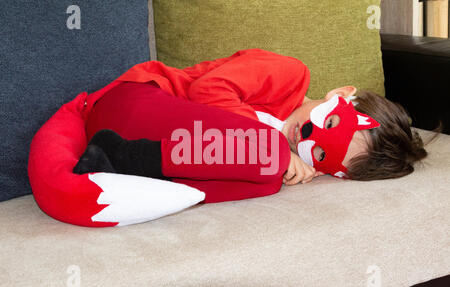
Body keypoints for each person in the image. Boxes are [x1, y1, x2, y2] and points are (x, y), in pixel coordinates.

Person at [73, 48, 429, 202]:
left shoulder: (270, 158)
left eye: (321, 153)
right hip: (133, 102)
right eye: (330, 122)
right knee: (269, 161)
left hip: (154, 148)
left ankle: (120, 165)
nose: (307, 136)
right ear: (339, 94)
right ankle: (119, 154)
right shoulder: (289, 74)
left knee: (267, 181)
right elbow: (206, 90)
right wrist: (268, 142)